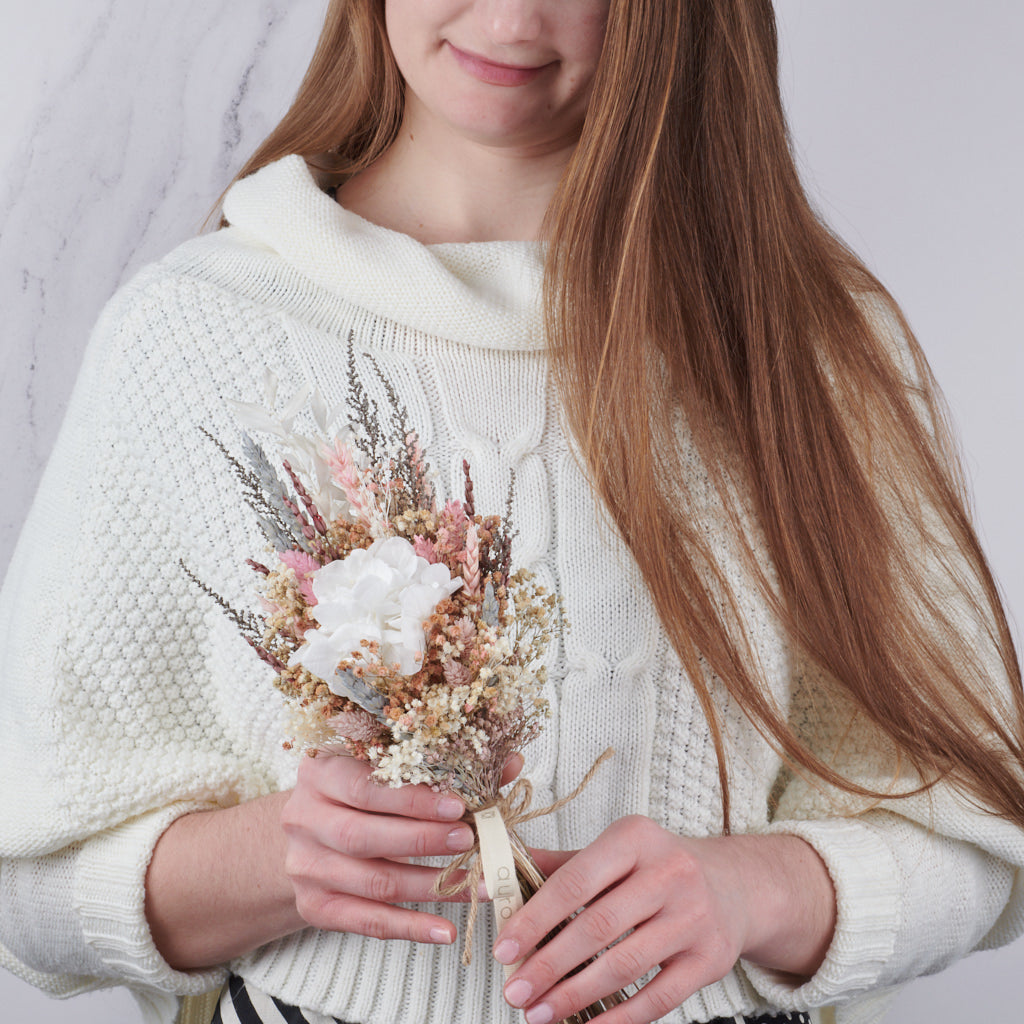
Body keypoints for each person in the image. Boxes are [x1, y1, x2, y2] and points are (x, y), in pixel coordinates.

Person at [1, 2, 1022, 1024]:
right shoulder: (188, 336)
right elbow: (27, 884)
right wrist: (268, 858)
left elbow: (975, 839)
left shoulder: (798, 346)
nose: (510, 16)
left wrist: (756, 889)